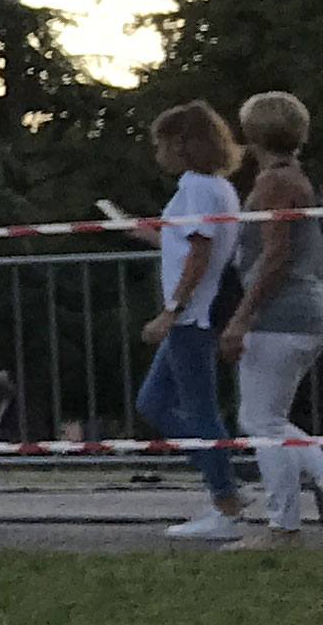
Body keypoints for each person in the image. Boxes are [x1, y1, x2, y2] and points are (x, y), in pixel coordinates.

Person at [131, 99, 250, 542]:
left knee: (198, 409)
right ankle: (226, 480)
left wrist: (171, 310)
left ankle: (226, 498)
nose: (157, 153)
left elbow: (199, 253)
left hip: (193, 316)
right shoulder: (217, 187)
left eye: (161, 144)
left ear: (182, 145)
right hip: (199, 312)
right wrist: (149, 235)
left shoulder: (196, 186)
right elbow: (188, 242)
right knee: (155, 402)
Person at [220, 90, 322, 544]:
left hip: (280, 316)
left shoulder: (275, 184)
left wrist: (242, 316)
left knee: (264, 421)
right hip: (299, 313)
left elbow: (275, 258)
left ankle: (284, 523)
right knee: (266, 418)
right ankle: (285, 518)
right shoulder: (290, 179)